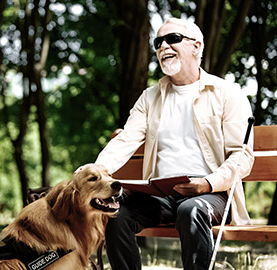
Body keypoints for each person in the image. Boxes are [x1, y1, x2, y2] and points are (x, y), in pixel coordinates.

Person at [94, 18, 254, 270]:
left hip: (211, 195)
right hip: (159, 196)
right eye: (158, 42)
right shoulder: (149, 97)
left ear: (196, 46)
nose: (163, 46)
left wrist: (207, 183)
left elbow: (242, 156)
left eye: (173, 39)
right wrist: (95, 170)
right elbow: (126, 139)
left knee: (190, 210)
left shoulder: (227, 93)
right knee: (116, 213)